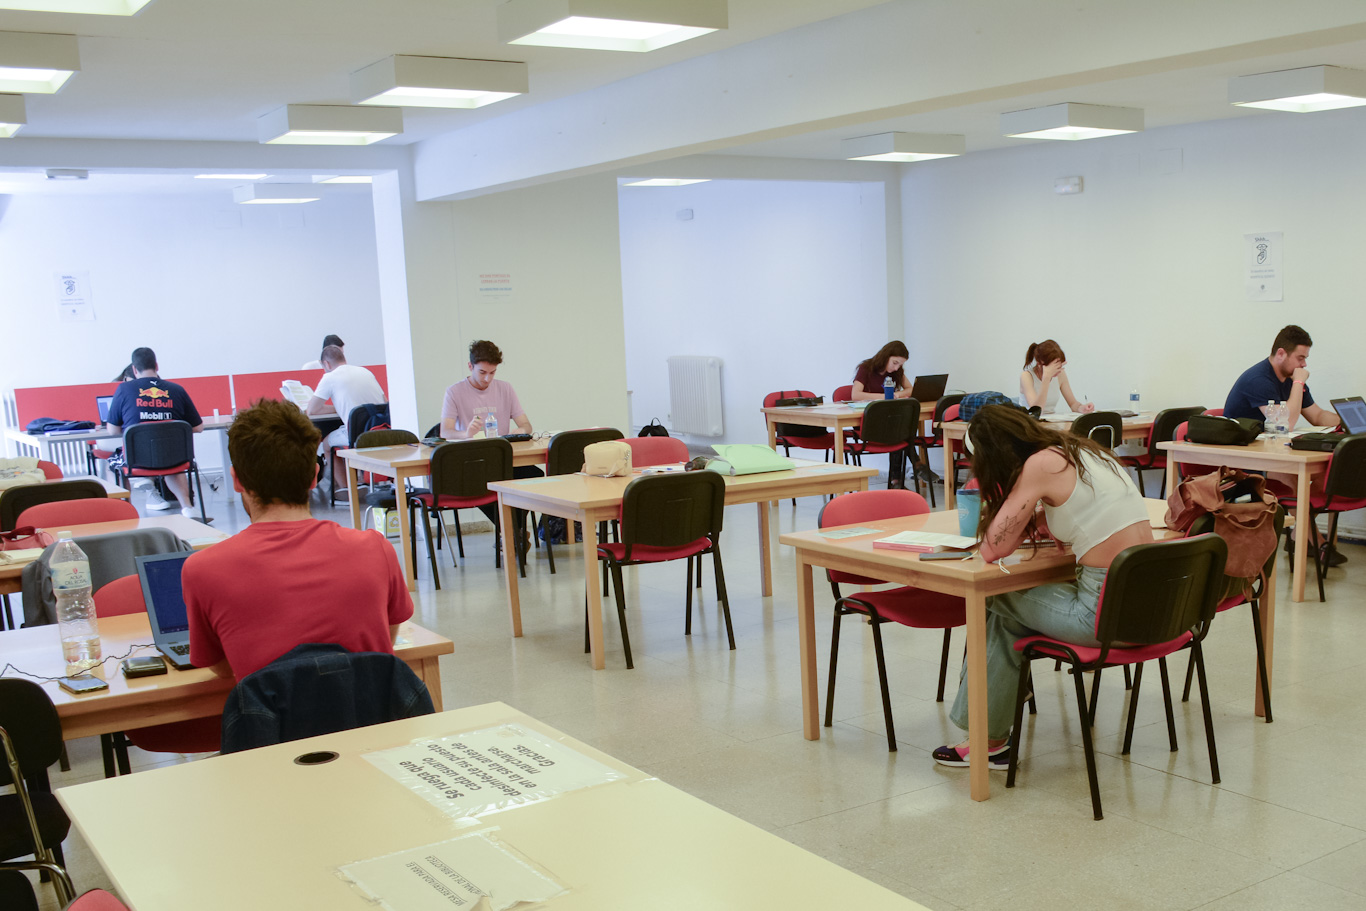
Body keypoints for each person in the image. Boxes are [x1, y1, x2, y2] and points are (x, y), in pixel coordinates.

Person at [933, 404, 1151, 770]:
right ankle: (997, 714)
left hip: (1103, 615)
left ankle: (989, 734)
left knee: (991, 595)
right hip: (1151, 608)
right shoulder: (1083, 450)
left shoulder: (1040, 465)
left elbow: (993, 549)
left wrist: (1016, 514)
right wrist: (1041, 517)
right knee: (1005, 621)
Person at [184, 398, 412, 679]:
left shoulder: (202, 569)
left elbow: (221, 666)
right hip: (376, 720)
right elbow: (383, 642)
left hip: (271, 721)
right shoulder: (376, 548)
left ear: (237, 480)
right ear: (315, 476)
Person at [439, 339, 543, 528]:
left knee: (536, 476)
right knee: (485, 487)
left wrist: (521, 430)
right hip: (475, 462)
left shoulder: (505, 388)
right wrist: (466, 433)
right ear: (470, 366)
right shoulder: (454, 392)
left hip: (503, 459)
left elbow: (527, 425)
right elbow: (445, 432)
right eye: (482, 372)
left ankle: (512, 531)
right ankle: (512, 531)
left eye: (492, 373)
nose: (487, 378)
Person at [104, 347, 204, 517]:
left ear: (134, 369)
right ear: (157, 366)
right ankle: (187, 507)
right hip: (174, 457)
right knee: (172, 464)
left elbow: (112, 430)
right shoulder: (177, 389)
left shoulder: (124, 389)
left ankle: (124, 512)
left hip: (136, 460)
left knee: (111, 464)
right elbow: (198, 427)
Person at [306, 345, 386, 497]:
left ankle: (347, 489)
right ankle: (362, 481)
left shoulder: (329, 377)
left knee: (326, 444)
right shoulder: (365, 372)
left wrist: (337, 408)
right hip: (381, 429)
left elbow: (312, 410)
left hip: (357, 433)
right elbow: (384, 402)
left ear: (326, 364)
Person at [1224, 325, 1338, 427]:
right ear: (1281, 354)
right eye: (1300, 358)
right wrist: (1298, 382)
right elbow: (1285, 424)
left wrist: (1346, 423)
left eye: (1305, 358)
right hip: (1242, 447)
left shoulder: (1290, 377)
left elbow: (1317, 416)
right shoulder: (1259, 380)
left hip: (1268, 445)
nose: (1304, 364)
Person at [1019, 340, 1095, 414]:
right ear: (1039, 364)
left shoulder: (1060, 374)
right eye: (1054, 367)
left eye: (1060, 366)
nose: (1058, 371)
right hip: (1030, 421)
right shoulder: (1026, 376)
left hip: (1050, 421)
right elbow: (1036, 411)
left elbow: (1073, 404)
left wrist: (1082, 408)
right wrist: (1046, 378)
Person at [850, 341, 914, 401]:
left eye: (900, 365)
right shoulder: (865, 368)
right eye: (895, 363)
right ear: (885, 357)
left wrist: (897, 394)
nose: (896, 368)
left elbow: (910, 389)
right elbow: (855, 395)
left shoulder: (897, 371)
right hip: (869, 409)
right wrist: (885, 396)